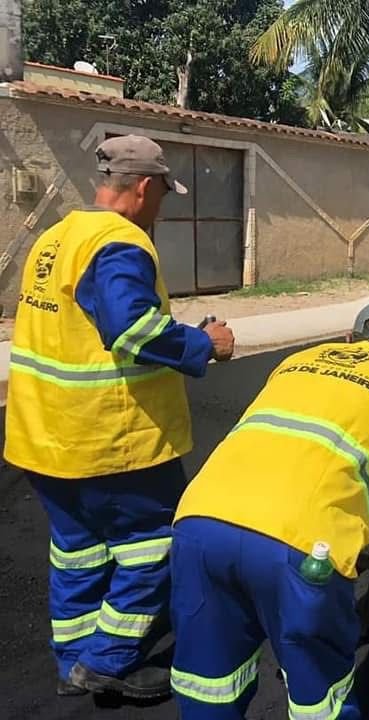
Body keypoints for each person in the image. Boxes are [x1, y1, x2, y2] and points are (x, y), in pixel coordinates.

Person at [3, 135, 235, 699]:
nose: (161, 207)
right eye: (163, 194)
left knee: (78, 551)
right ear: (146, 187)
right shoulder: (120, 243)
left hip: (43, 438)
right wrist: (204, 344)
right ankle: (109, 658)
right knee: (153, 544)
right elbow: (131, 329)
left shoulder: (57, 238)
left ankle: (74, 660)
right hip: (109, 441)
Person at [169, 301, 369, 719]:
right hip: (302, 544)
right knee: (319, 694)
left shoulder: (295, 361)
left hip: (200, 521)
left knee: (209, 680)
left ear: (348, 338)